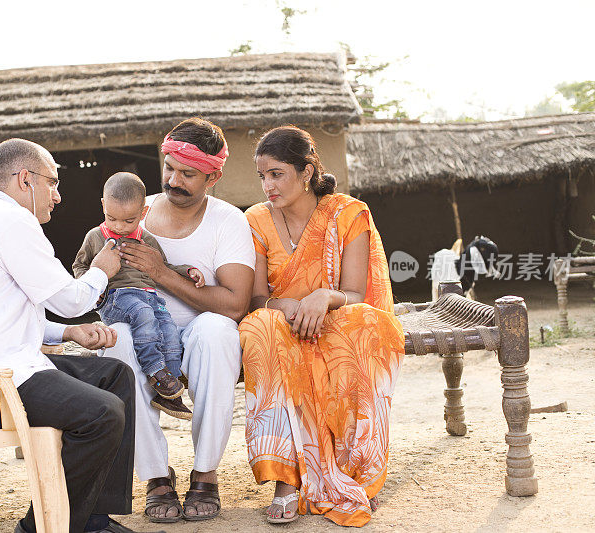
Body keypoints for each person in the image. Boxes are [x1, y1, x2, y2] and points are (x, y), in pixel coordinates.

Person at [0, 138, 158, 533]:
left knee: (115, 376)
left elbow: (7, 313)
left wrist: (70, 332)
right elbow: (69, 297)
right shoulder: (9, 222)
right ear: (25, 179)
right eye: (53, 183)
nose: (59, 196)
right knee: (102, 413)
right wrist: (101, 269)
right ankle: (38, 527)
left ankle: (92, 518)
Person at [238, 126, 405, 527]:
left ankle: (351, 470)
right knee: (262, 327)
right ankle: (287, 479)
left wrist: (323, 297)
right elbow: (258, 298)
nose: (267, 185)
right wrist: (289, 305)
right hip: (284, 320)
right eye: (262, 176)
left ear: (307, 170)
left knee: (362, 324)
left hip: (336, 318)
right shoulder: (256, 220)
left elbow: (356, 292)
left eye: (276, 174)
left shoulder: (348, 214)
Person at [100, 118, 256, 522]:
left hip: (203, 339)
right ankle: (156, 479)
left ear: (213, 176)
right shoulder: (133, 214)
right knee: (117, 336)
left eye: (188, 174)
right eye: (169, 168)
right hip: (144, 336)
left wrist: (162, 272)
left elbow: (236, 303)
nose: (174, 180)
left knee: (217, 330)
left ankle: (205, 473)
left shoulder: (228, 221)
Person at [73, 171, 205, 420]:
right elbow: (79, 268)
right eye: (112, 218)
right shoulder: (95, 237)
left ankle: (171, 391)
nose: (119, 227)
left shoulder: (147, 239)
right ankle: (156, 371)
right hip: (116, 298)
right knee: (142, 313)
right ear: (103, 205)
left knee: (169, 331)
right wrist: (95, 285)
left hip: (150, 297)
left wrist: (188, 271)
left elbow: (164, 267)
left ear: (143, 214)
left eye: (128, 221)